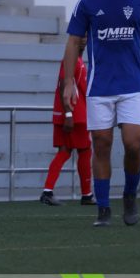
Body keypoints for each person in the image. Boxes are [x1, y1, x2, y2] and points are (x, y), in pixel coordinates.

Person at [61, 0, 140, 227]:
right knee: (101, 145)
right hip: (99, 88)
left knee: (133, 142)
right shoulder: (88, 3)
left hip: (132, 86)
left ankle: (130, 194)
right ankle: (103, 208)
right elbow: (72, 42)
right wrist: (68, 83)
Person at [39, 37, 94, 206]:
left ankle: (49, 191)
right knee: (84, 151)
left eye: (86, 37)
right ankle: (86, 194)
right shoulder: (71, 61)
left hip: (73, 113)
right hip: (75, 115)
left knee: (65, 151)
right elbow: (65, 84)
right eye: (81, 38)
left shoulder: (76, 60)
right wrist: (69, 114)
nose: (84, 41)